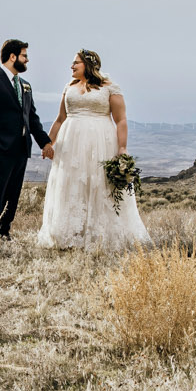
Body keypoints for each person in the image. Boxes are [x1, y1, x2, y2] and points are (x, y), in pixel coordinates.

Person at [36, 49, 150, 250]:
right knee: (70, 183)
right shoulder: (68, 87)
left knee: (98, 183)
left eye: (75, 63)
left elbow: (121, 120)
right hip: (70, 142)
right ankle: (69, 234)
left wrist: (122, 148)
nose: (71, 66)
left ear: (88, 65)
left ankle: (101, 234)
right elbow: (60, 119)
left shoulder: (109, 86)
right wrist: (48, 143)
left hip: (100, 142)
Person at [0, 39, 51, 237]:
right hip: (0, 149)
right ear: (12, 56)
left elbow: (32, 119)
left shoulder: (25, 86)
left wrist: (45, 142)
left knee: (12, 195)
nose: (27, 60)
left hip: (21, 150)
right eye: (24, 56)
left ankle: (3, 232)